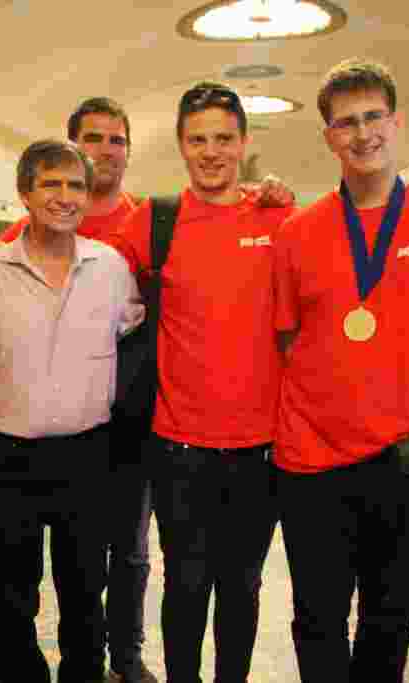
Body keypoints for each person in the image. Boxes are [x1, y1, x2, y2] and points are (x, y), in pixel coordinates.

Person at [272, 58, 409, 683]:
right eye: (346, 122)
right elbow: (289, 343)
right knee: (316, 621)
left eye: (374, 117)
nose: (362, 133)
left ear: (397, 124)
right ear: (328, 136)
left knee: (387, 624)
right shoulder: (297, 234)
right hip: (312, 468)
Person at [103, 83, 293, 683]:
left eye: (224, 139)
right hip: (178, 447)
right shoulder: (154, 220)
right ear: (182, 145)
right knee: (185, 584)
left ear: (244, 143)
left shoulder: (278, 218)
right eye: (198, 139)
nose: (212, 152)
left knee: (242, 586)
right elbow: (74, 262)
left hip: (261, 448)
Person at [0, 139, 143, 683]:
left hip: (88, 457)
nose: (65, 197)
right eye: (51, 184)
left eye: (76, 186)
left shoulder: (110, 267)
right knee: (12, 598)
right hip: (7, 460)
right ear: (24, 193)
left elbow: (131, 327)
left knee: (85, 592)